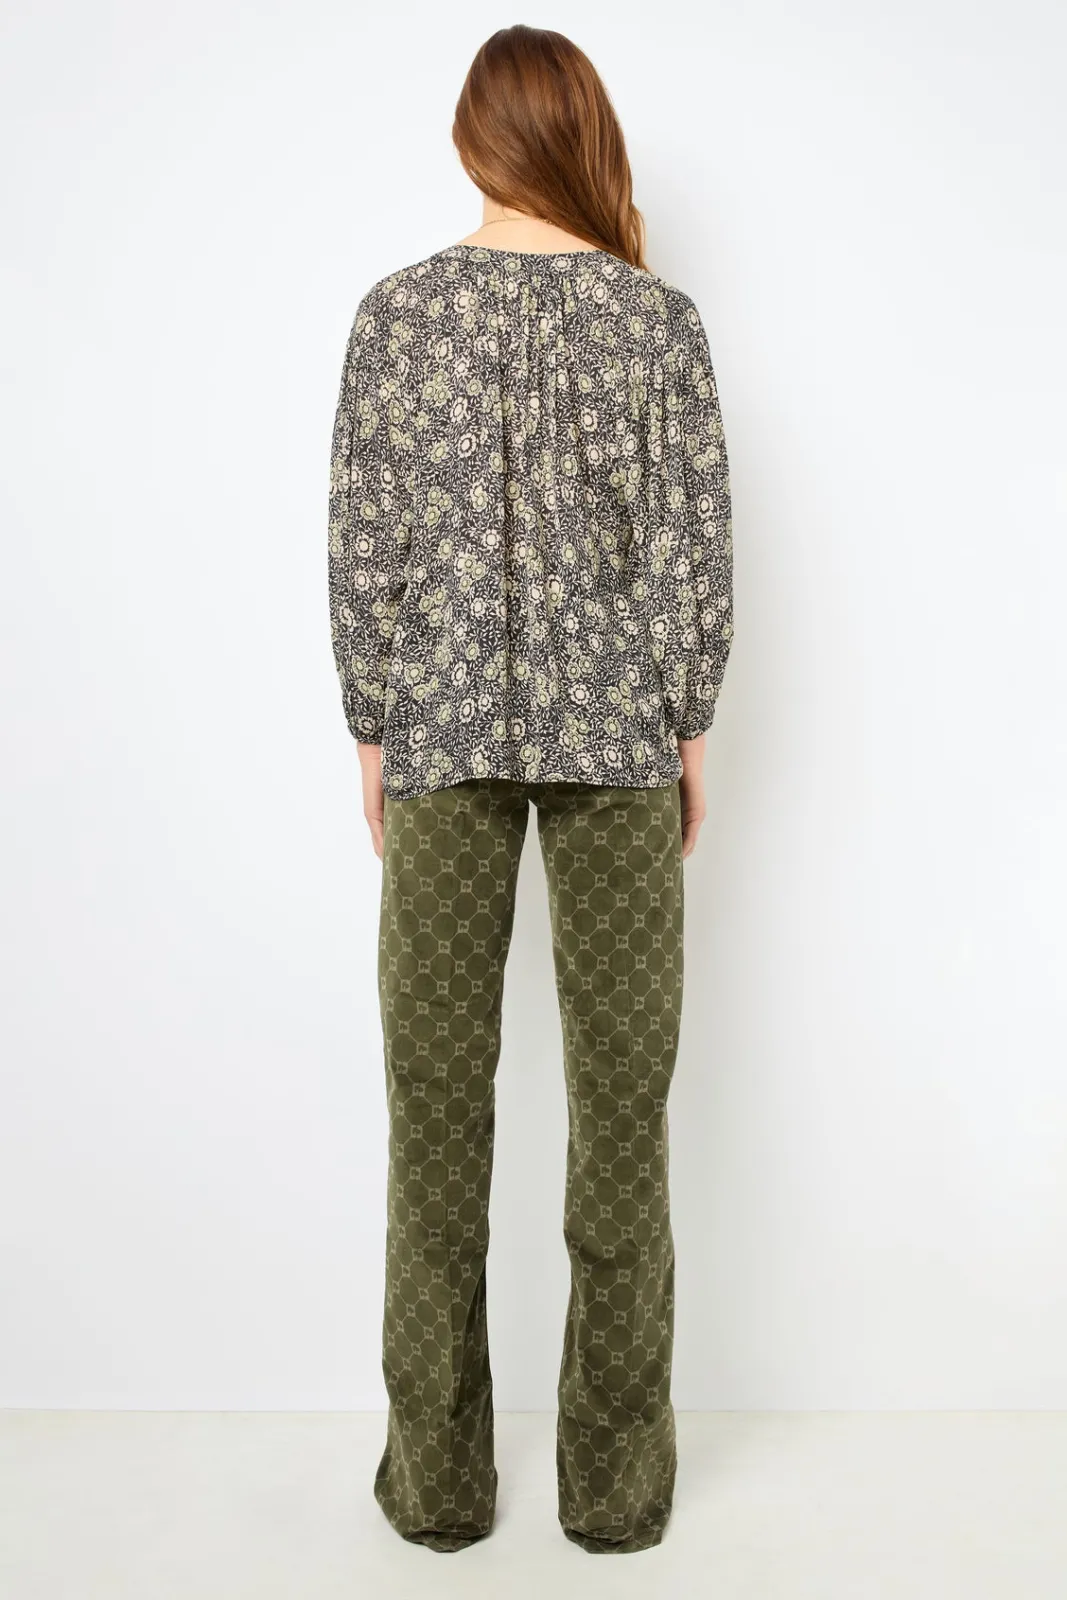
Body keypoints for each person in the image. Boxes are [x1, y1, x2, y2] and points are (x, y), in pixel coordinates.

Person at [327, 23, 734, 1556]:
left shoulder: (396, 315)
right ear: (581, 136)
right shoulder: (655, 323)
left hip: (437, 738)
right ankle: (616, 1497)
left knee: (432, 1125)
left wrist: (372, 727)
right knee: (621, 1124)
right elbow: (693, 547)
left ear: (471, 140)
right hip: (621, 745)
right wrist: (689, 727)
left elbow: (362, 539)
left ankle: (436, 1488)